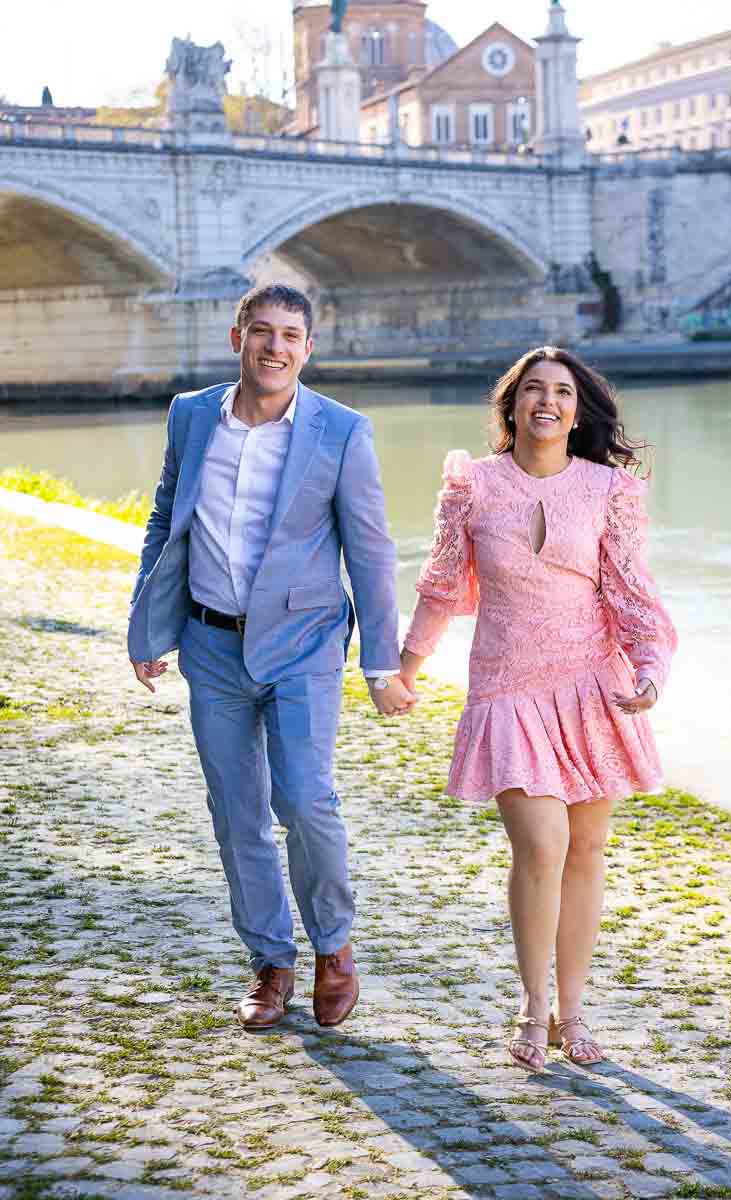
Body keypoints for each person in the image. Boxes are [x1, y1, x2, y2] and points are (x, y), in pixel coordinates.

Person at [128, 284, 415, 1032]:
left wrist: (382, 664)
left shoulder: (343, 431)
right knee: (238, 815)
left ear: (308, 348)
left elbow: (372, 549)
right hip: (211, 644)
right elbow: (166, 515)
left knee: (306, 799)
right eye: (262, 332)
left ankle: (333, 948)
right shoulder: (191, 415)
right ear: (237, 338)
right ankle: (270, 962)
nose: (275, 347)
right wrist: (146, 626)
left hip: (303, 644)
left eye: (291, 335)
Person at [399, 346, 677, 1070]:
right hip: (507, 689)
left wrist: (650, 670)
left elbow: (632, 591)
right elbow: (441, 586)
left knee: (585, 851)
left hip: (591, 687)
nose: (546, 402)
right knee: (542, 844)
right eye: (533, 390)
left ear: (577, 411)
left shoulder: (608, 490)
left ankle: (572, 1010)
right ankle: (530, 1006)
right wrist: (407, 666)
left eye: (561, 392)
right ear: (512, 405)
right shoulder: (472, 485)